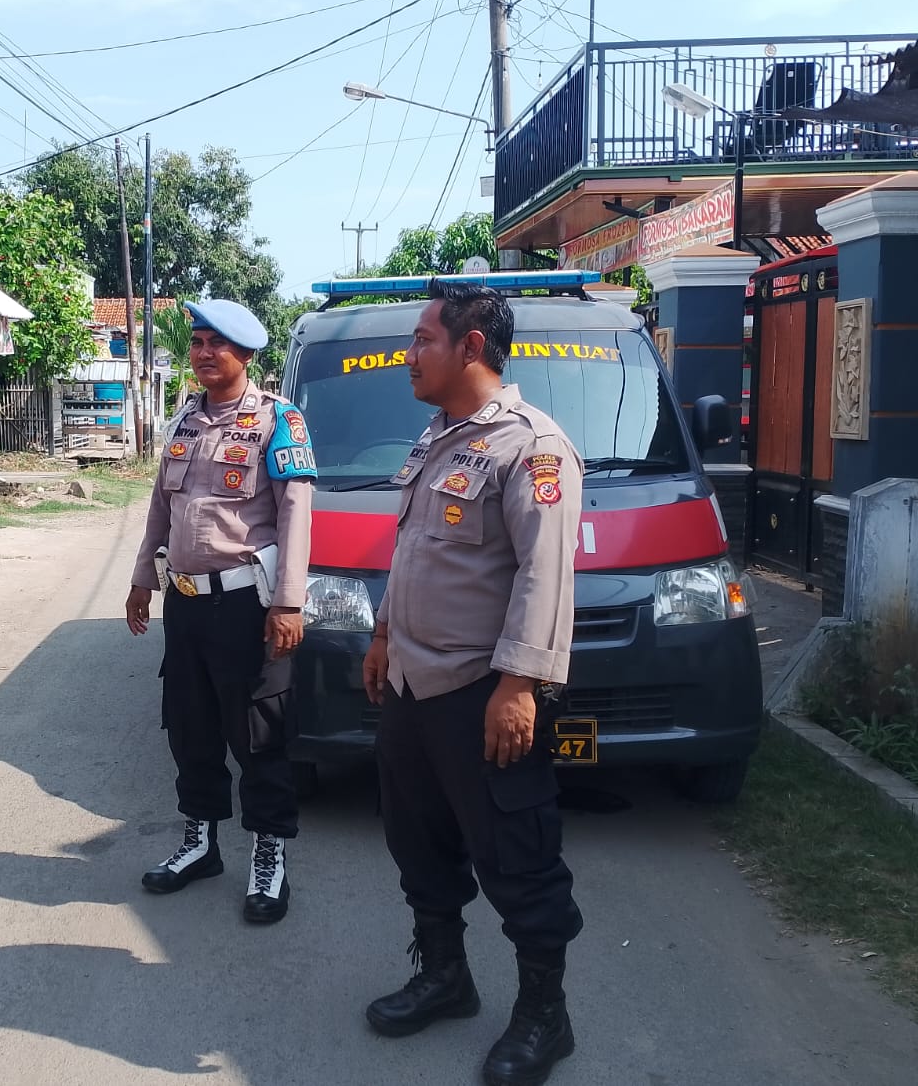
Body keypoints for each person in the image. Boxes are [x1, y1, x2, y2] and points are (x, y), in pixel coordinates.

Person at [360, 281, 584, 1086]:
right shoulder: (437, 437)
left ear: (471, 348)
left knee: (517, 856)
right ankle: (445, 976)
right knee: (417, 840)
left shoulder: (533, 446)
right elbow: (414, 550)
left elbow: (544, 576)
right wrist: (383, 634)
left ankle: (545, 1017)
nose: (410, 356)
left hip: (480, 692)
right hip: (412, 684)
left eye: (423, 340)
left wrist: (519, 686)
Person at [125, 298, 316, 925]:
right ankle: (199, 843)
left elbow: (295, 516)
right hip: (185, 604)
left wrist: (288, 601)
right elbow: (161, 508)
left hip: (247, 606)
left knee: (259, 735)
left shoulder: (279, 421)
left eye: (218, 344)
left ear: (246, 354)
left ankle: (268, 855)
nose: (204, 353)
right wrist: (141, 580)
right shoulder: (184, 420)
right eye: (198, 342)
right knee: (190, 728)